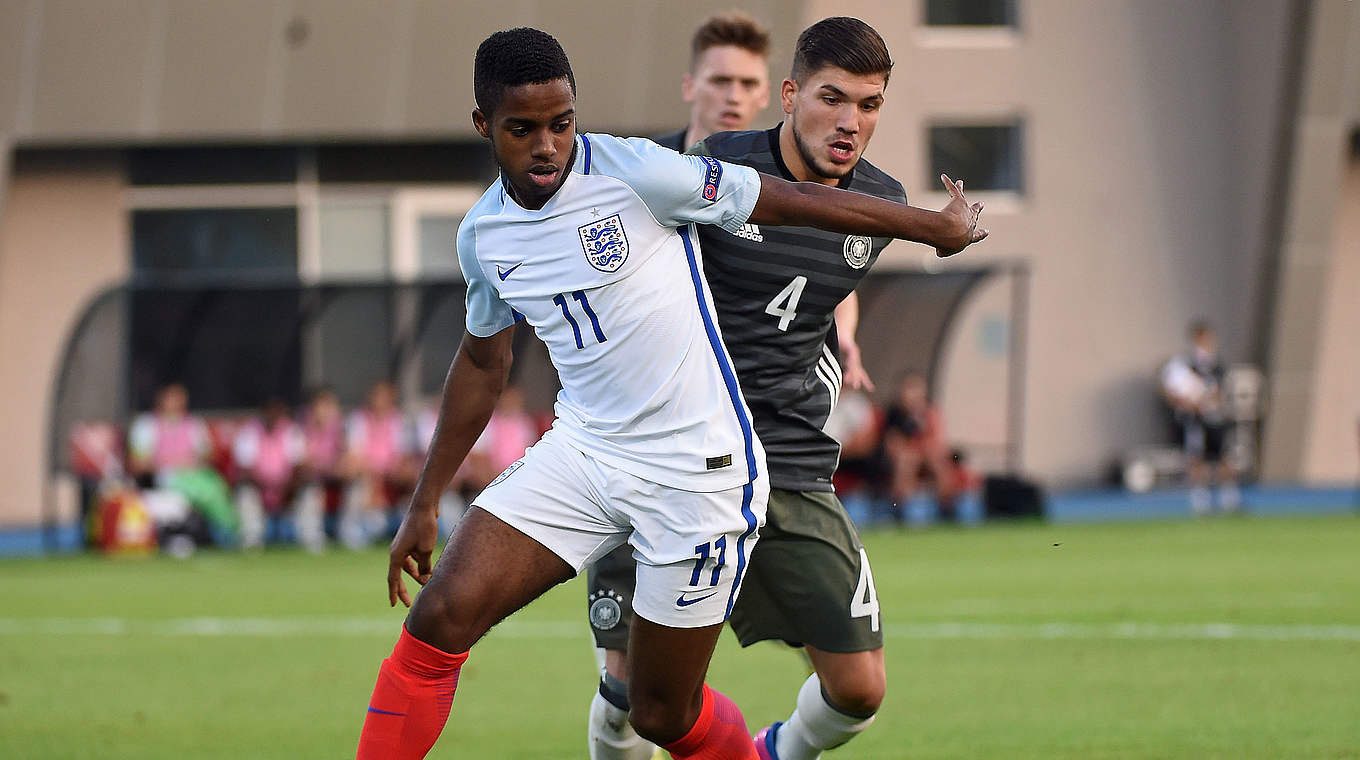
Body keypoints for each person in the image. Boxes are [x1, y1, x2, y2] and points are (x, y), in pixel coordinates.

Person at [356, 26, 985, 760]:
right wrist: (426, 499)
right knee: (438, 620)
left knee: (661, 711)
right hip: (585, 452)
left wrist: (930, 229)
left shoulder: (638, 171)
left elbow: (778, 200)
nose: (547, 146)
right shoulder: (484, 235)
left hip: (699, 473)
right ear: (483, 126)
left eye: (561, 124)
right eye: (522, 129)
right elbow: (481, 363)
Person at [585, 18, 920, 760]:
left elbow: (826, 276)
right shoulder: (707, 173)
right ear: (793, 95)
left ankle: (774, 754)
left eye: (869, 105)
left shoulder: (882, 203)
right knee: (634, 698)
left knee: (860, 688)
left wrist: (849, 338)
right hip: (671, 453)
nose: (851, 120)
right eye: (834, 98)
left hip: (785, 460)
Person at [652, 11, 771, 154]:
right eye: (720, 81)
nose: (734, 97)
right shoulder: (647, 163)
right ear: (689, 87)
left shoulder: (782, 173)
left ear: (765, 95)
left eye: (748, 84)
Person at [1160, 321, 1240, 513]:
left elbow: (1220, 390)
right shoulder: (1185, 364)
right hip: (1195, 420)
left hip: (1214, 417)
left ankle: (1229, 501)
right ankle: (1201, 503)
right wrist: (1188, 403)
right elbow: (1171, 391)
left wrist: (1210, 399)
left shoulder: (1216, 364)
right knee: (1197, 460)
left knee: (1224, 459)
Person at [883, 372, 958, 522]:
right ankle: (899, 508)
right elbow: (893, 446)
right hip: (901, 467)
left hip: (926, 464)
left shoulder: (931, 415)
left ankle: (948, 507)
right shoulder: (894, 416)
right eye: (909, 390)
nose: (912, 396)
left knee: (938, 462)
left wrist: (923, 451)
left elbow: (938, 445)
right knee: (906, 462)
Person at [232, 397, 306, 549]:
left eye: (277, 412)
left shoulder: (292, 431)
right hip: (258, 486)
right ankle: (251, 538)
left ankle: (308, 536)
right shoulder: (249, 431)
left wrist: (285, 486)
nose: (273, 416)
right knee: (245, 490)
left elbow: (298, 465)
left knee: (310, 487)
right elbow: (246, 468)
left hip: (286, 486)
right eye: (270, 412)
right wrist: (267, 484)